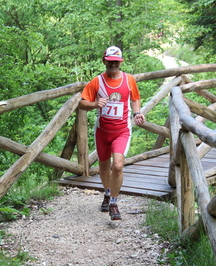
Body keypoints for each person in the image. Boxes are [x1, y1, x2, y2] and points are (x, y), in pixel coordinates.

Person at [79, 46, 145, 220]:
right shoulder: (97, 82)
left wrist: (137, 113)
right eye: (110, 61)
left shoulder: (129, 80)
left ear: (120, 62)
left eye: (116, 62)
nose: (113, 64)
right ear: (104, 60)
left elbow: (135, 98)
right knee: (103, 166)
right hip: (102, 131)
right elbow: (82, 103)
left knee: (117, 165)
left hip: (122, 131)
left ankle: (114, 203)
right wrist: (95, 104)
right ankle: (107, 193)